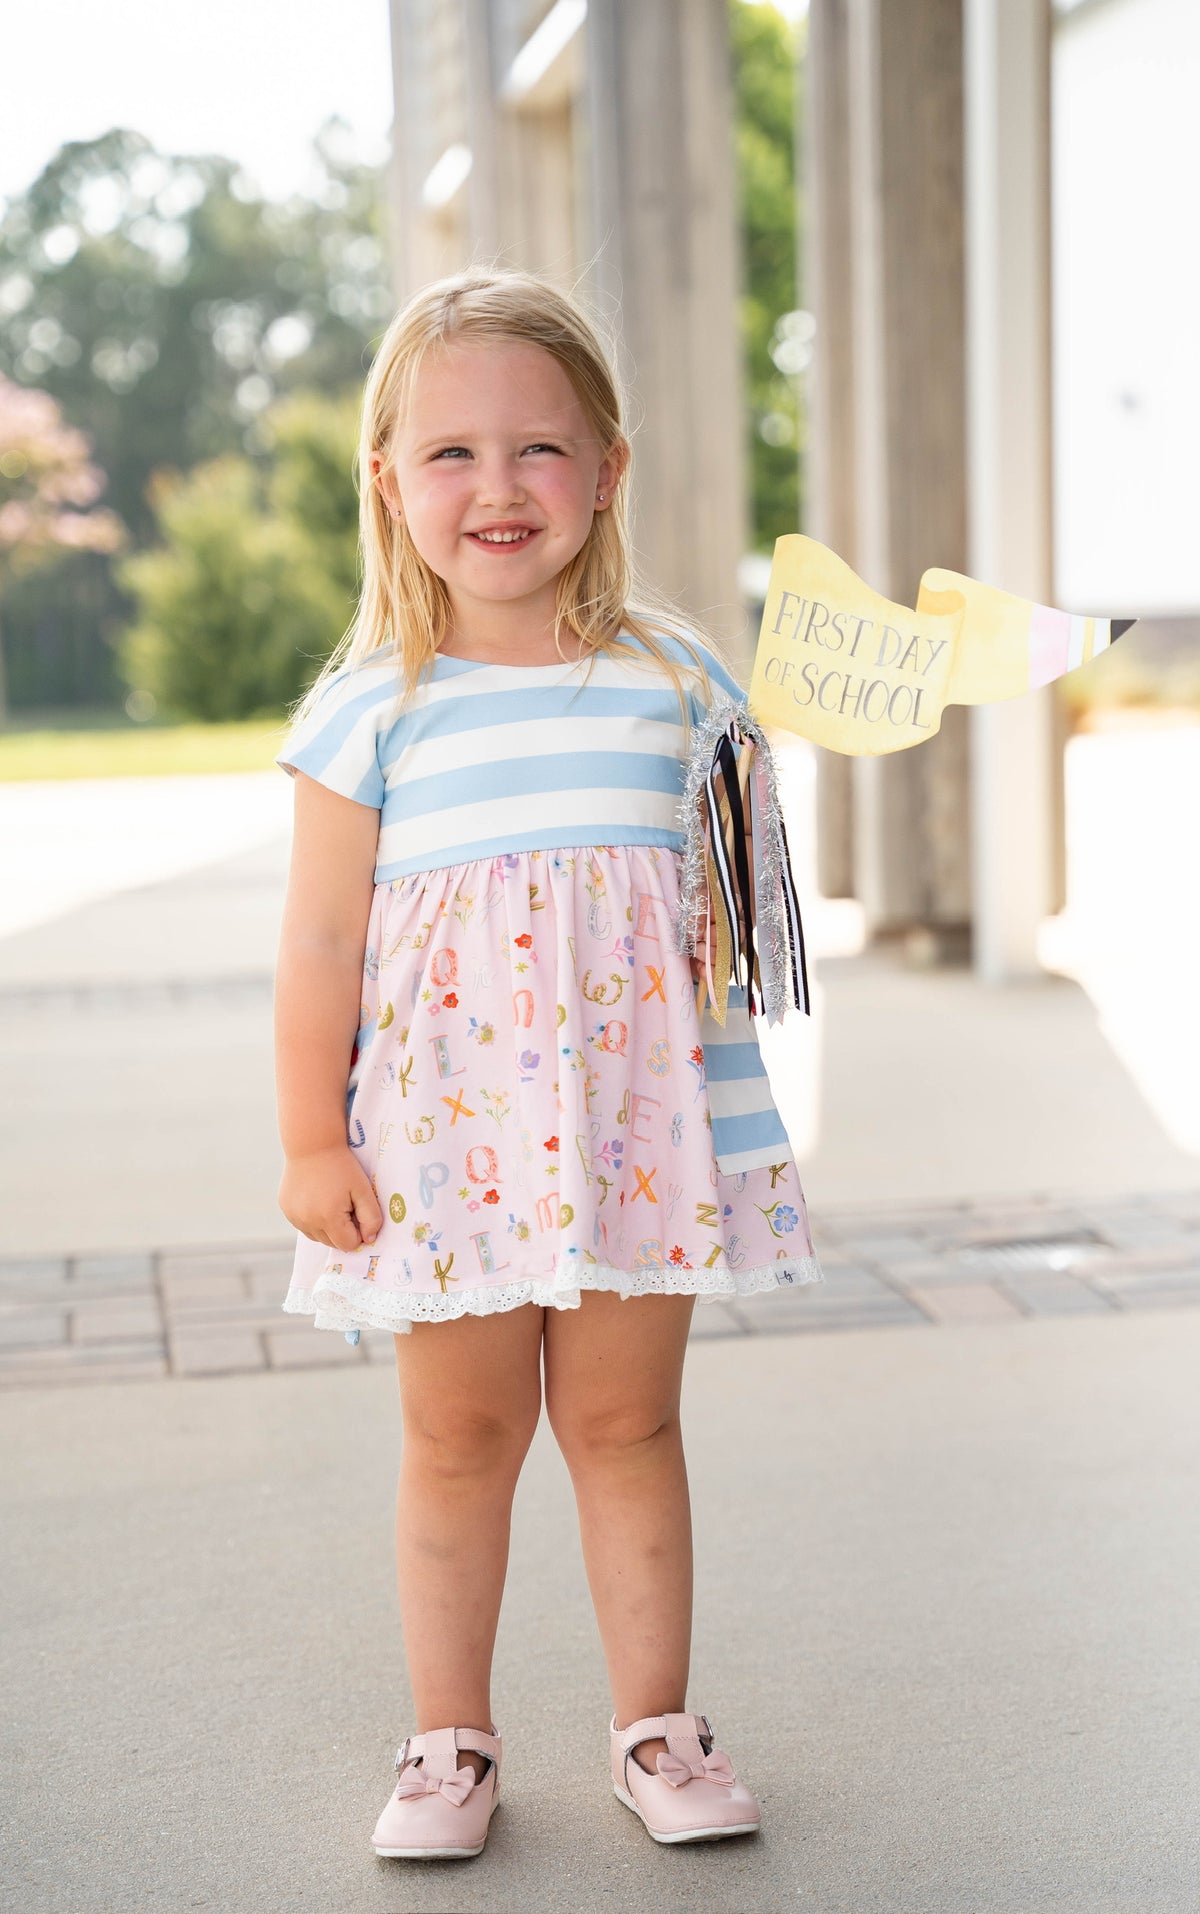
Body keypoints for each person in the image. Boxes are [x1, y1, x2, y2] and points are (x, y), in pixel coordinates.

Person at [273, 266, 824, 1862]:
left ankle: (657, 1721)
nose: (498, 488)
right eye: (450, 454)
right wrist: (316, 1137)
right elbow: (318, 949)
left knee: (628, 1428)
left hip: (638, 1137)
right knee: (457, 1438)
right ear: (387, 478)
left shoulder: (681, 683)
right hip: (446, 1142)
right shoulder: (374, 710)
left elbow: (726, 926)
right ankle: (450, 1742)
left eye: (540, 449)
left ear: (610, 467)